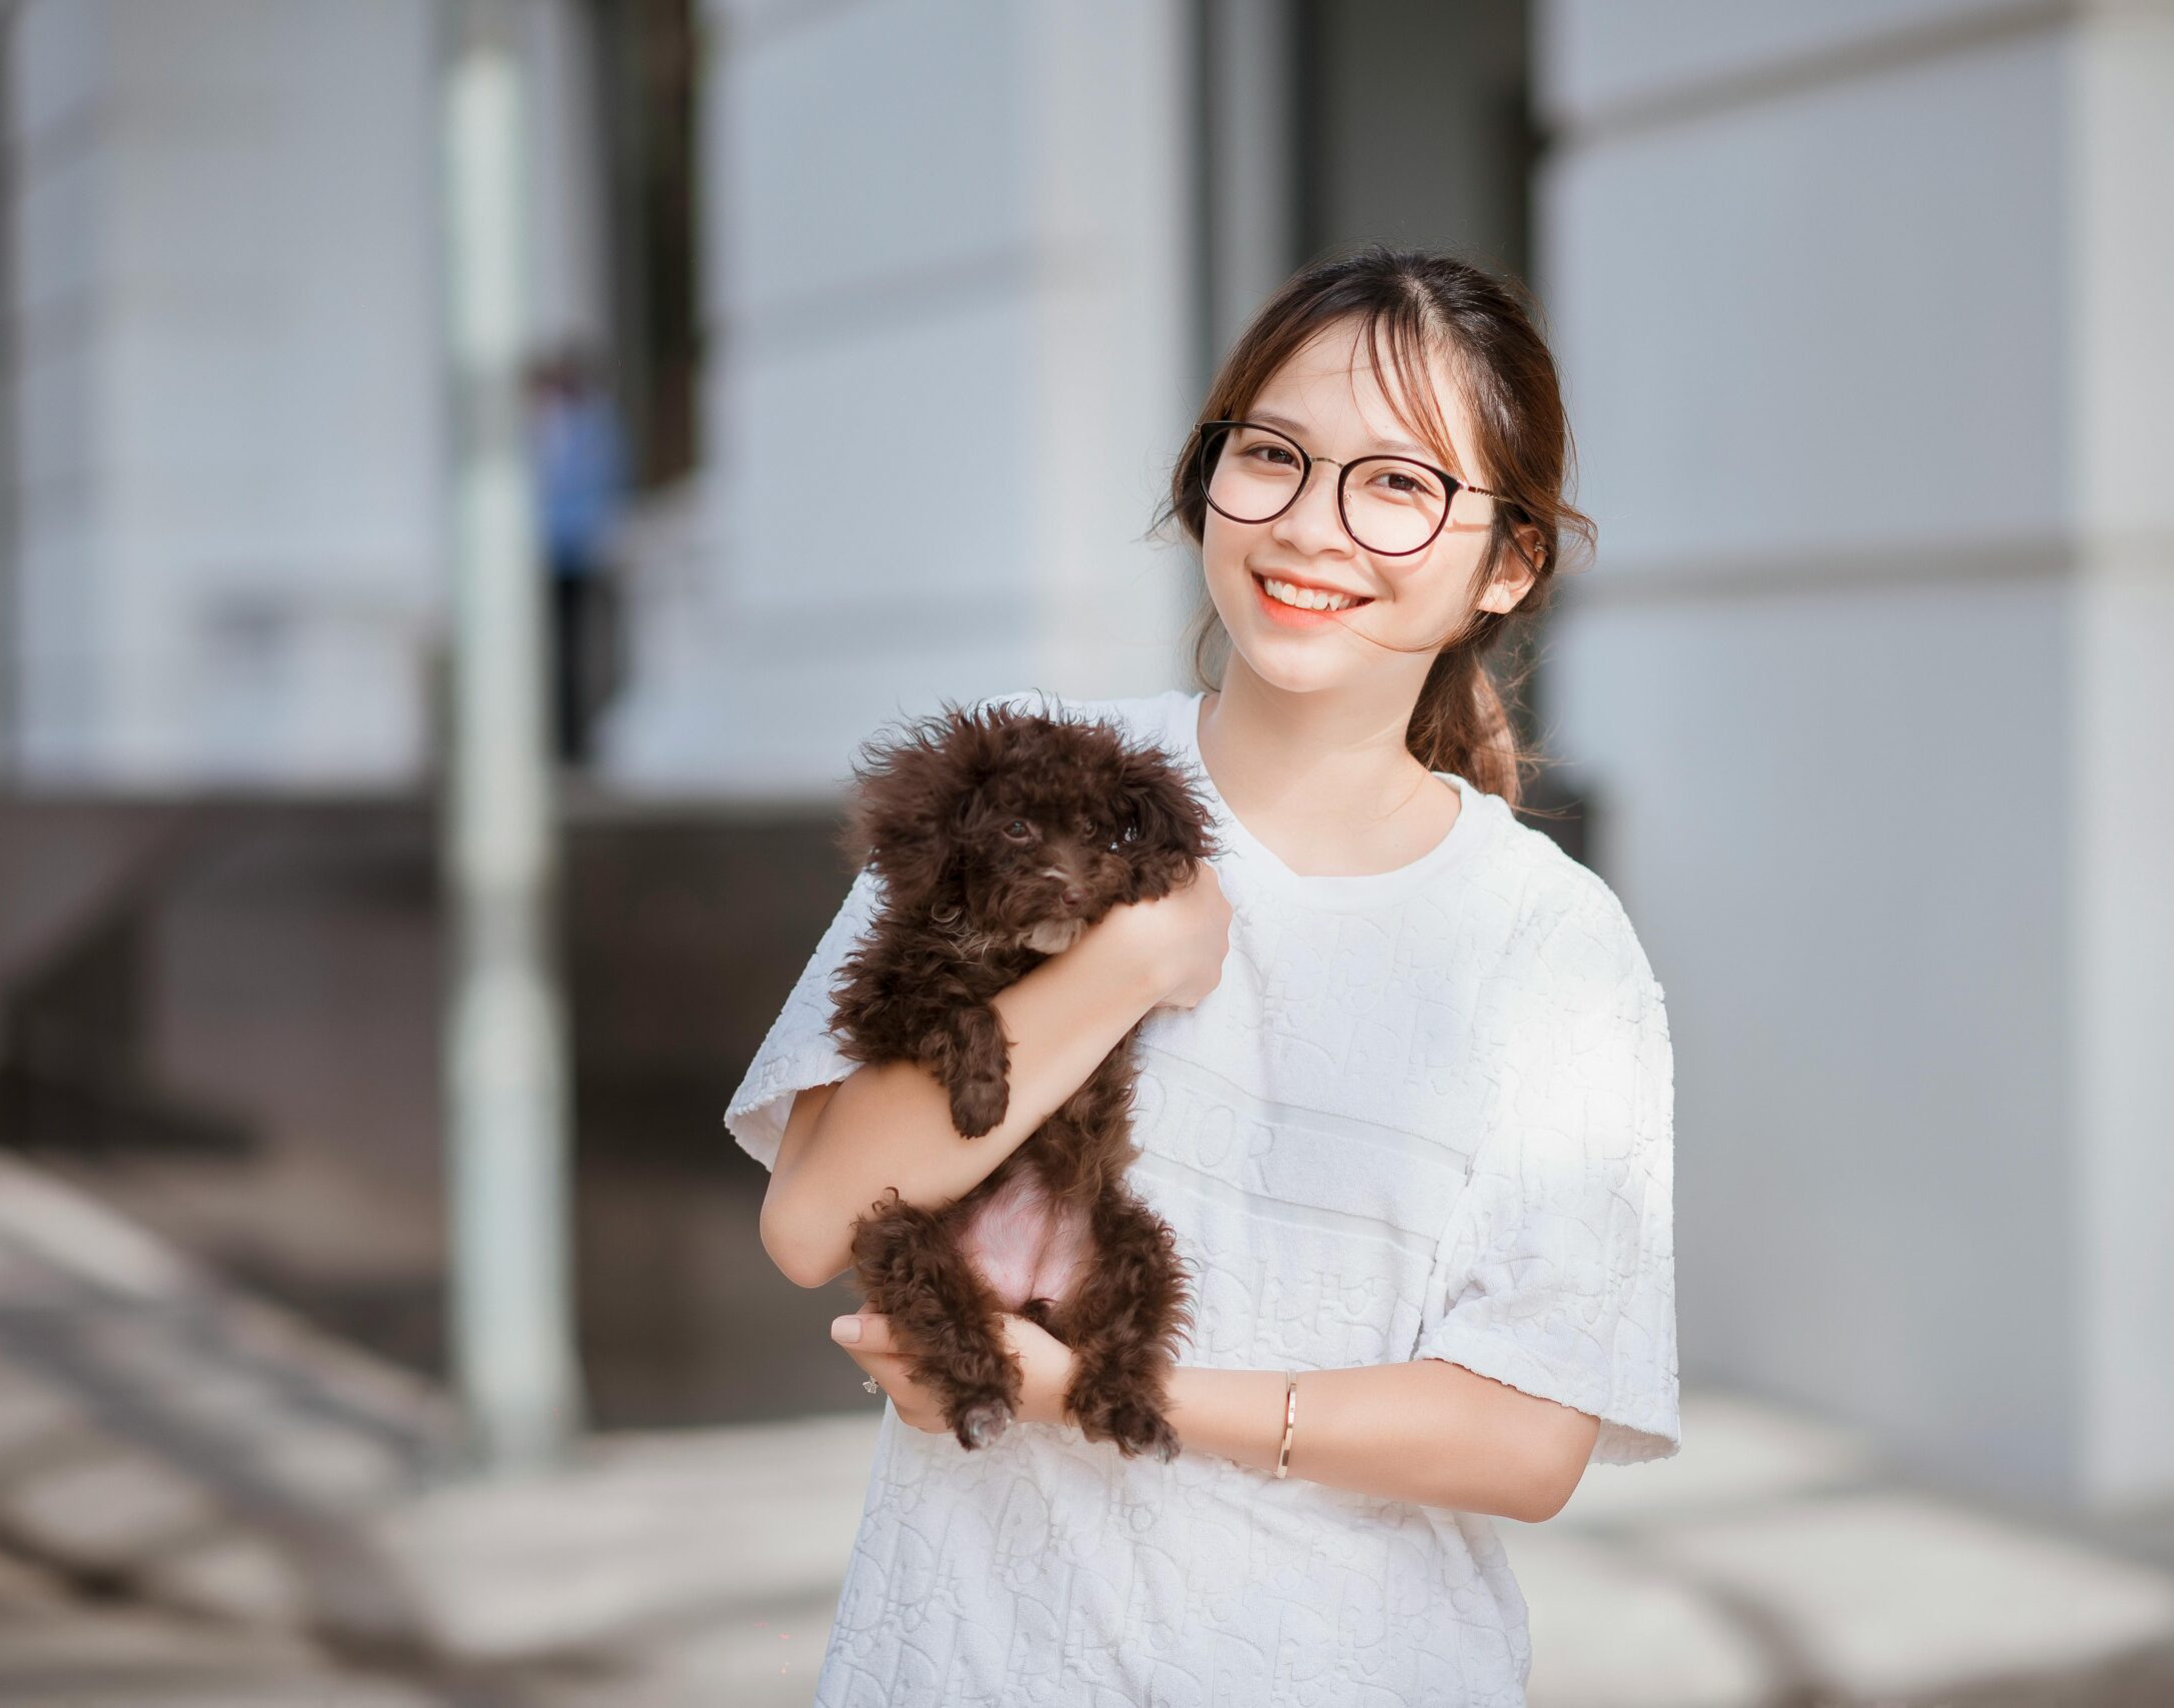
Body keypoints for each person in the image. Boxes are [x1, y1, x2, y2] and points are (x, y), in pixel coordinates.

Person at [728, 245, 1677, 1706]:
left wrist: (1104, 1397)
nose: (1313, 527)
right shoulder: (1022, 772)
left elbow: (1532, 1435)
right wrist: (1120, 965)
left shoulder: (1548, 942)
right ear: (1206, 477)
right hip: (975, 1655)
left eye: (1400, 484)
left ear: (1509, 561)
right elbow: (811, 1217)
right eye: (1274, 457)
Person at [529, 344, 628, 767]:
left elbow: (607, 480)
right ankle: (543, 737)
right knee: (537, 650)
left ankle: (573, 742)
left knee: (574, 648)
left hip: (576, 552)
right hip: (537, 550)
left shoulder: (596, 422)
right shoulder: (535, 423)